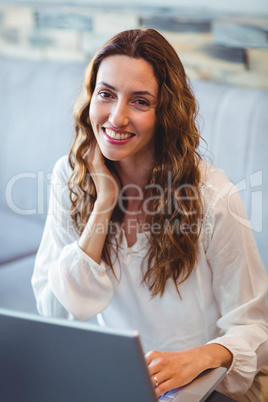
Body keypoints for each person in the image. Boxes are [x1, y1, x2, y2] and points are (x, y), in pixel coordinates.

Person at [32, 28, 268, 401]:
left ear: (166, 113)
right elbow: (56, 311)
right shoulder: (72, 176)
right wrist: (104, 202)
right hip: (125, 383)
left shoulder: (212, 197)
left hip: (206, 387)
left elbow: (256, 327)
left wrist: (197, 359)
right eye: (106, 94)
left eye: (140, 102)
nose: (117, 117)